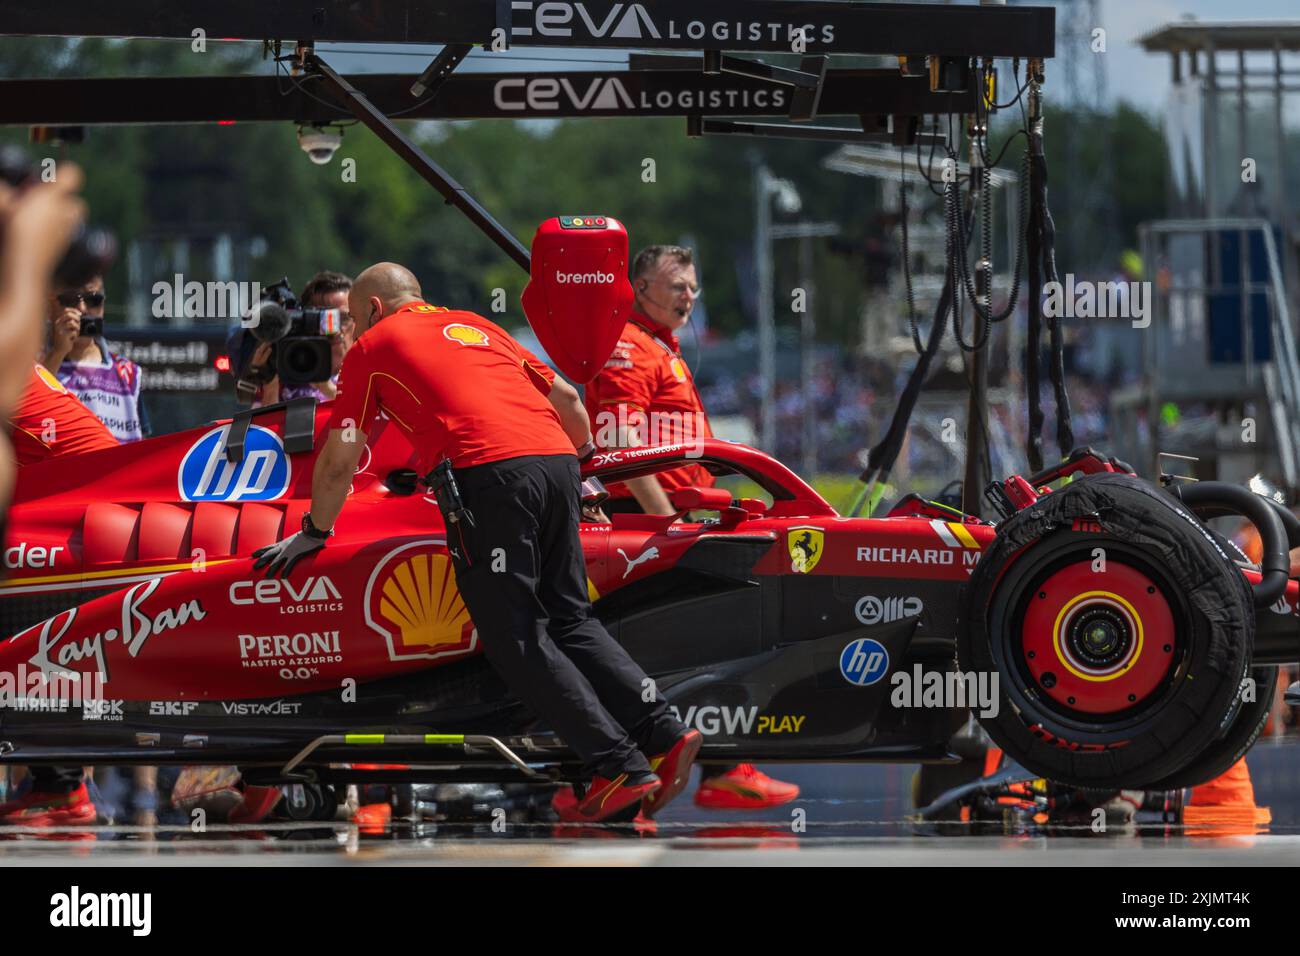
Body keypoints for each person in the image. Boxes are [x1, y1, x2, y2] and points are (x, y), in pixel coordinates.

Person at [252, 262, 702, 822]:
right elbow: (569, 401)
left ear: (371, 310)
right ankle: (663, 730)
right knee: (571, 617)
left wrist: (315, 531)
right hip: (557, 464)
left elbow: (341, 456)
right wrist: (580, 468)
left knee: (516, 637)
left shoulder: (375, 345)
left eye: (353, 321)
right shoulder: (476, 325)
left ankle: (617, 768)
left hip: (487, 477)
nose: (350, 334)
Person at [585, 243, 801, 811]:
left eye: (693, 287)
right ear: (639, 288)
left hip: (674, 517)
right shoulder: (628, 346)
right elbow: (620, 442)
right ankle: (627, 774)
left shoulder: (660, 345)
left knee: (692, 642)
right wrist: (662, 522)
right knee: (673, 643)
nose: (689, 295)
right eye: (677, 284)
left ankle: (721, 767)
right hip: (645, 522)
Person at [41, 273, 148, 442]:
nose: (82, 309)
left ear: (103, 305)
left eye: (93, 300)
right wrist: (58, 353)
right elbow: (24, 418)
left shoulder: (128, 373)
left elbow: (145, 452)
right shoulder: (31, 367)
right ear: (49, 308)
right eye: (70, 299)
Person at [249, 270, 355, 406]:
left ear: (357, 320)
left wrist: (328, 390)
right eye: (324, 317)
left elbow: (367, 421)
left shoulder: (368, 374)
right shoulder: (283, 369)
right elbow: (264, 427)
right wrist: (270, 385)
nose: (333, 327)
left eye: (343, 318)